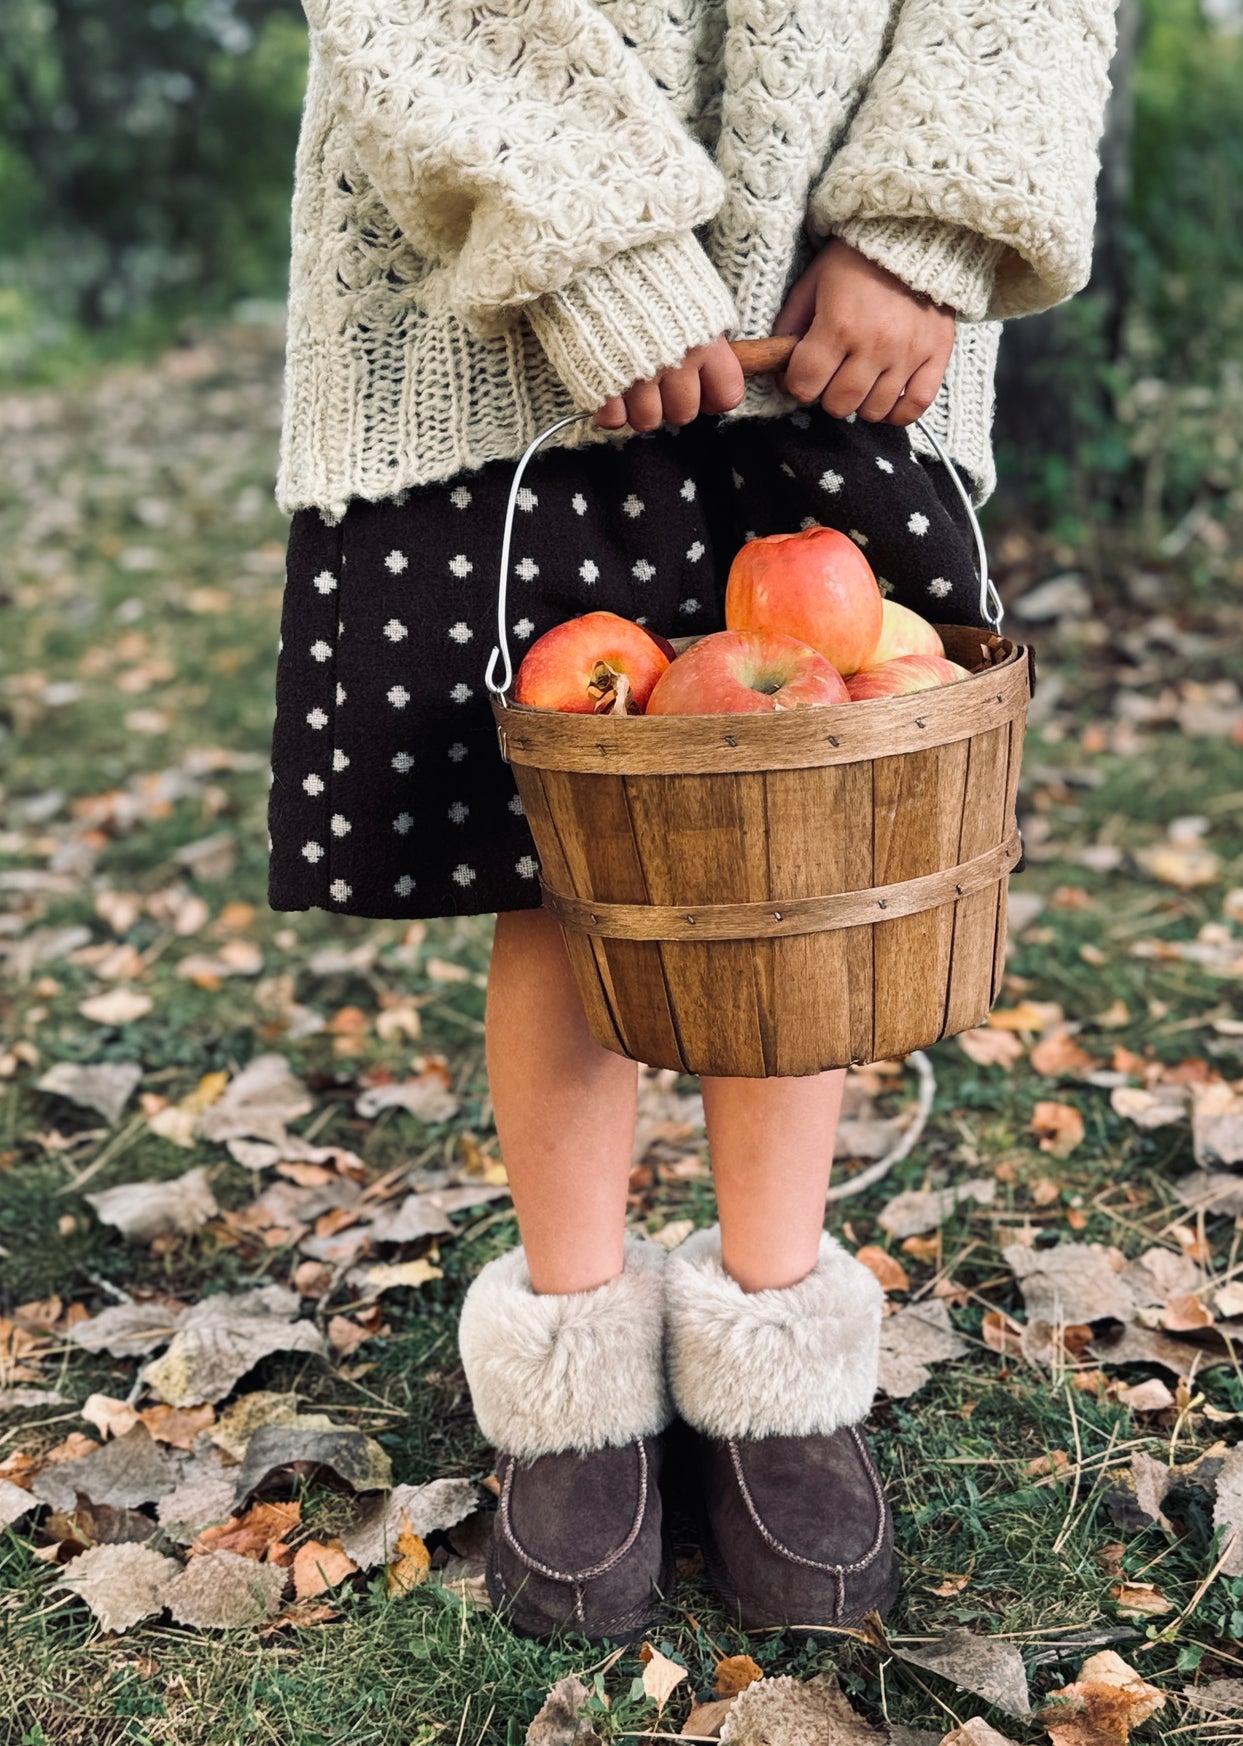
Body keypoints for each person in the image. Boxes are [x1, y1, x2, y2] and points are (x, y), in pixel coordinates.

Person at [271, 0, 1118, 1642]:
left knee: (793, 856)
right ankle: (572, 1368)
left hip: (840, 309)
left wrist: (924, 222)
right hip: (511, 321)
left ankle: (774, 1353)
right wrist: (578, 240)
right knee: (565, 860)